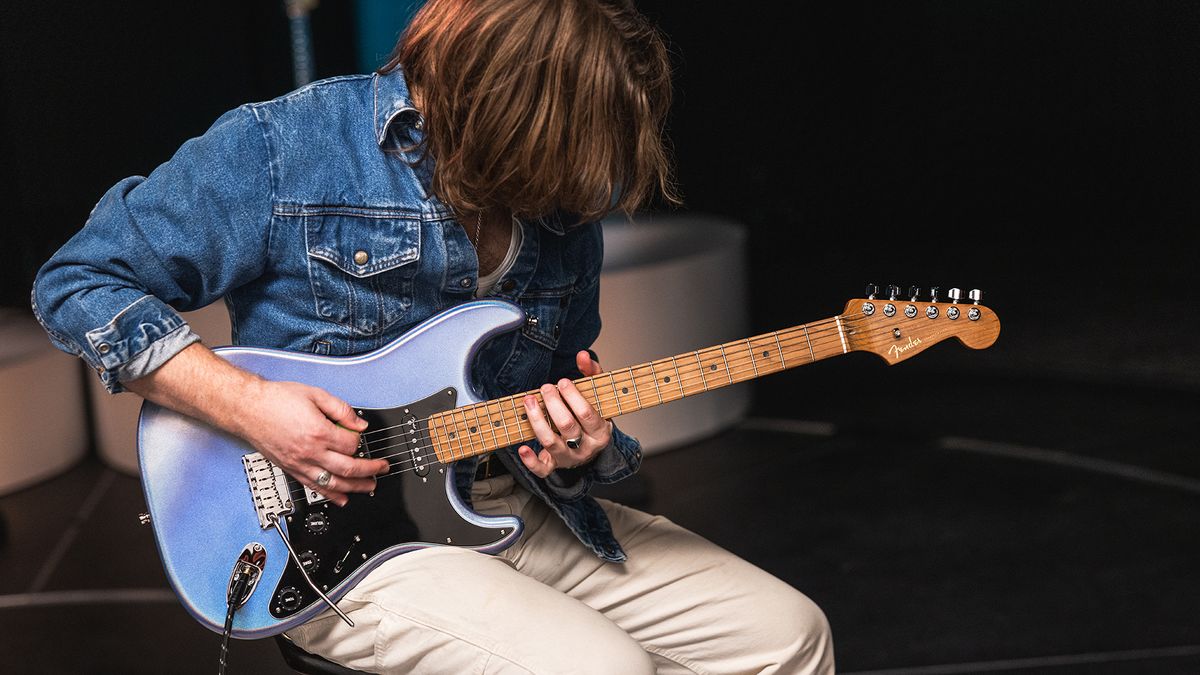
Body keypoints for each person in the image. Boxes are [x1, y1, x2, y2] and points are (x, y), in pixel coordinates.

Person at [32, 0, 833, 672]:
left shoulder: (562, 207)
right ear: (503, 112)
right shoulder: (287, 148)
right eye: (563, 145)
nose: (585, 178)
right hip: (334, 544)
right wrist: (253, 408)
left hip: (506, 506)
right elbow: (77, 283)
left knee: (791, 636)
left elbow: (555, 389)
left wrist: (582, 447)